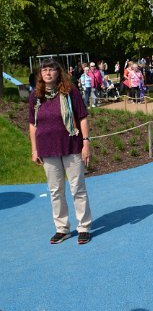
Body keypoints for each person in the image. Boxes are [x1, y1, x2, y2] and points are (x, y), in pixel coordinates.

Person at [29, 58, 93, 245]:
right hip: (47, 148)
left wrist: (86, 143)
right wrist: (34, 149)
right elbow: (32, 124)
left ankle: (84, 227)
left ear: (58, 73)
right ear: (40, 74)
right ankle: (62, 228)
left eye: (51, 70)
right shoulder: (36, 96)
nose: (48, 73)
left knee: (77, 188)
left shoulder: (69, 91)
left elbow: (82, 117)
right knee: (55, 190)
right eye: (44, 70)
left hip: (71, 146)